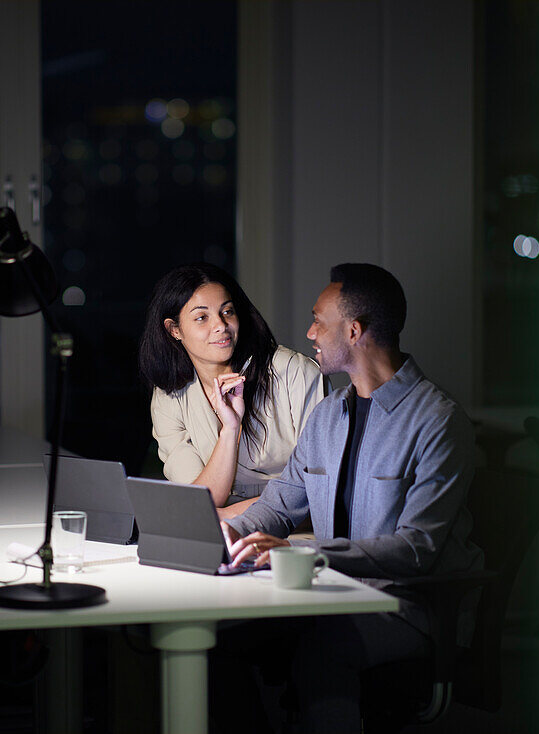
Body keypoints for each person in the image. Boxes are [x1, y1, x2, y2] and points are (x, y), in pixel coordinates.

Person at [220, 263, 482, 732]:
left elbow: (416, 549)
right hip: (332, 595)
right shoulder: (327, 415)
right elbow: (279, 507)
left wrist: (308, 556)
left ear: (354, 330)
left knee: (322, 647)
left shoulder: (439, 421)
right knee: (223, 638)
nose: (309, 331)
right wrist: (223, 535)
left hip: (408, 609)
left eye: (319, 319)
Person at [139, 263, 324, 519]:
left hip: (293, 534)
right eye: (202, 318)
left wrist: (225, 517)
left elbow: (318, 489)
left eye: (227, 312)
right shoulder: (170, 396)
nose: (221, 326)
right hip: (217, 534)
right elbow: (201, 500)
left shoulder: (294, 372)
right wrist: (230, 430)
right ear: (175, 330)